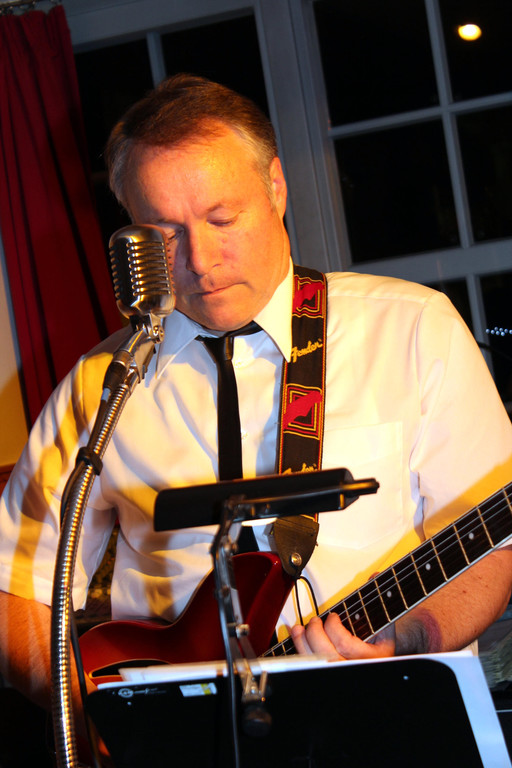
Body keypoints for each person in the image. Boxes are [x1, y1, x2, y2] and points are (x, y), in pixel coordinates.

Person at [1, 73, 512, 727]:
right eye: (165, 232)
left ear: (276, 187)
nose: (200, 259)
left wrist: (409, 639)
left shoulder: (413, 329)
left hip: (396, 721)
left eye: (222, 219)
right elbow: (14, 587)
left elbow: (492, 551)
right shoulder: (102, 384)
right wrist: (98, 720)